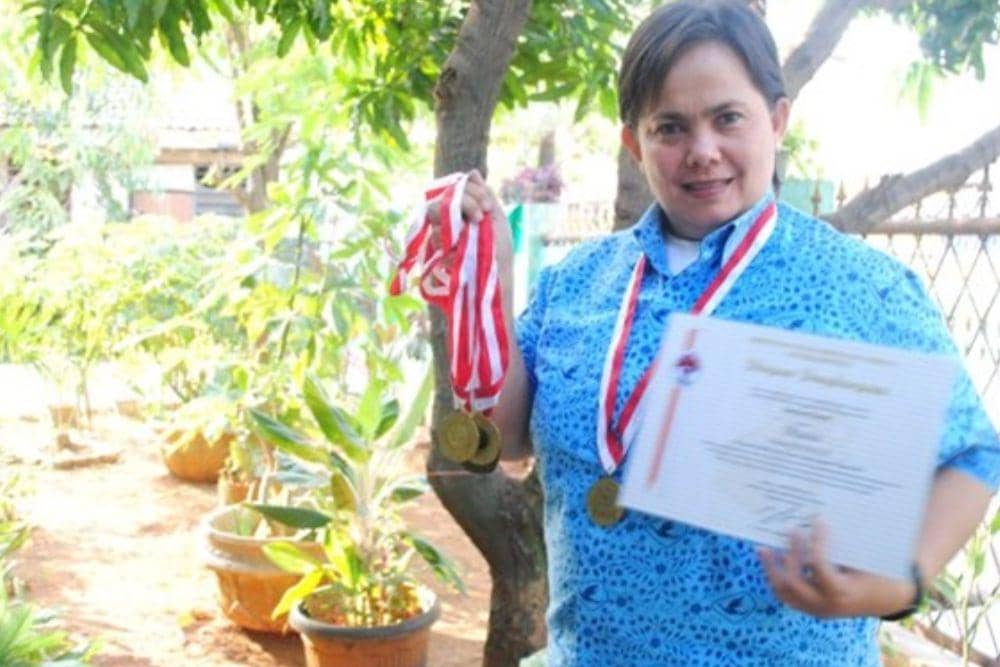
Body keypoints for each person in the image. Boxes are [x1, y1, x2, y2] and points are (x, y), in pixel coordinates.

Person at [431, 1, 1000, 664]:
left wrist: (902, 575)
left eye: (727, 118)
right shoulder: (577, 281)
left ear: (777, 120)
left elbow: (972, 454)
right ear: (635, 143)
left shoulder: (862, 288)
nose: (702, 151)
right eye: (670, 127)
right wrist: (486, 284)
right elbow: (505, 431)